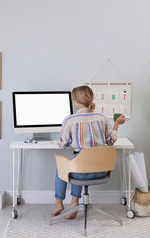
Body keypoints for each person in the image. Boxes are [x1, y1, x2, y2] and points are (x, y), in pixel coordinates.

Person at [51, 85, 125, 219]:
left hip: (81, 173)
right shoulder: (101, 118)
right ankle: (74, 204)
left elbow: (63, 145)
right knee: (77, 164)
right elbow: (111, 141)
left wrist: (61, 141)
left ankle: (59, 203)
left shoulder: (69, 120)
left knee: (64, 166)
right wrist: (116, 125)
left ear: (74, 100)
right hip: (102, 171)